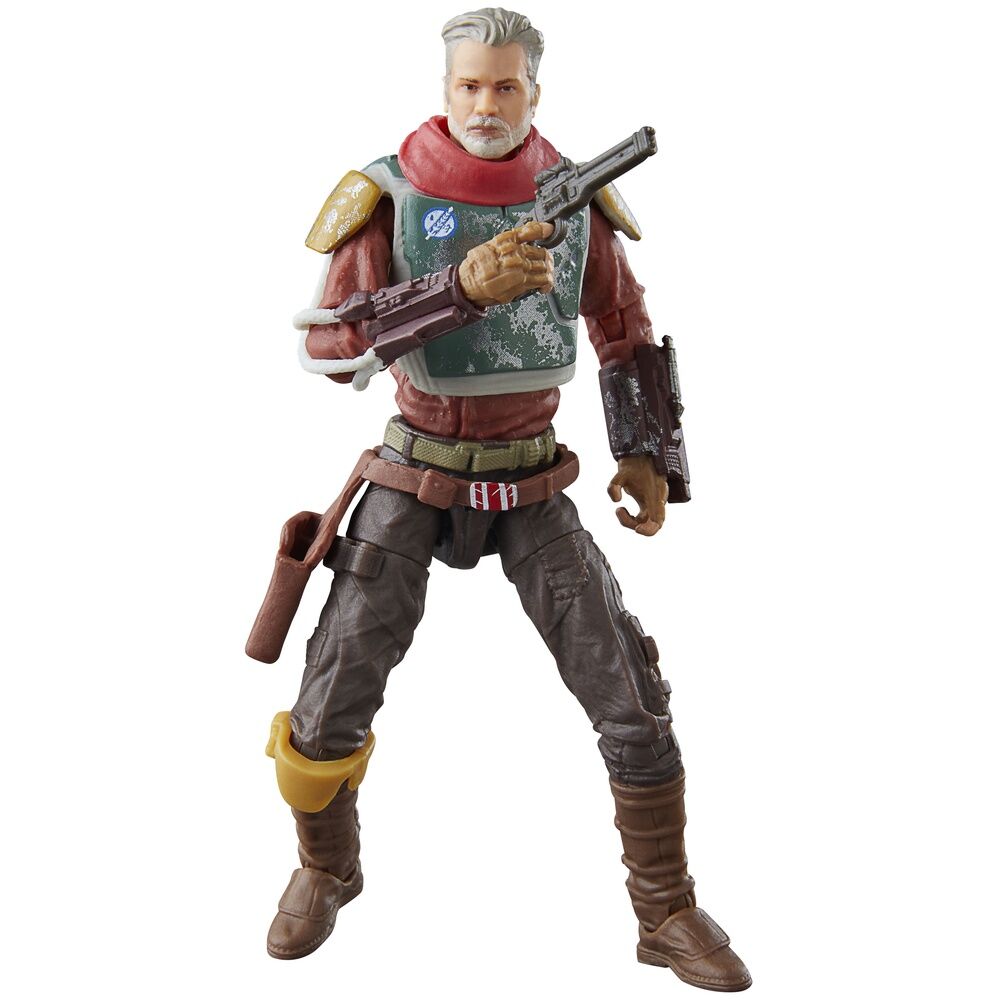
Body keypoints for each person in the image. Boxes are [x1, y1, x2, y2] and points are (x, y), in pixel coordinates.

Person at [260, 7, 750, 991]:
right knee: (332, 687)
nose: (486, 104)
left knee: (629, 694)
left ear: (534, 91)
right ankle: (326, 867)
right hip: (414, 470)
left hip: (530, 476)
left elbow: (624, 324)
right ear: (445, 90)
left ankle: (664, 908)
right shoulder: (389, 195)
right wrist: (457, 291)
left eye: (505, 86)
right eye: (469, 86)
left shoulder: (579, 199)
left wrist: (645, 455)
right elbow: (330, 344)